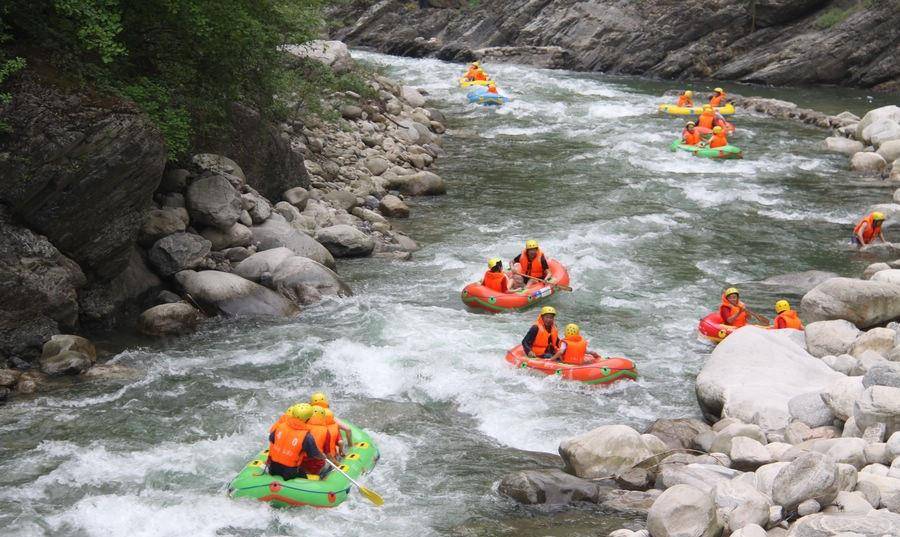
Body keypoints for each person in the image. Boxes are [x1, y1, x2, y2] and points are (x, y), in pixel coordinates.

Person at [267, 404, 325, 481]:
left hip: (273, 467)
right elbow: (314, 454)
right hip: (290, 472)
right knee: (308, 475)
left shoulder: (280, 426)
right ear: (307, 419)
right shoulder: (307, 437)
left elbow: (271, 439)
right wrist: (323, 457)